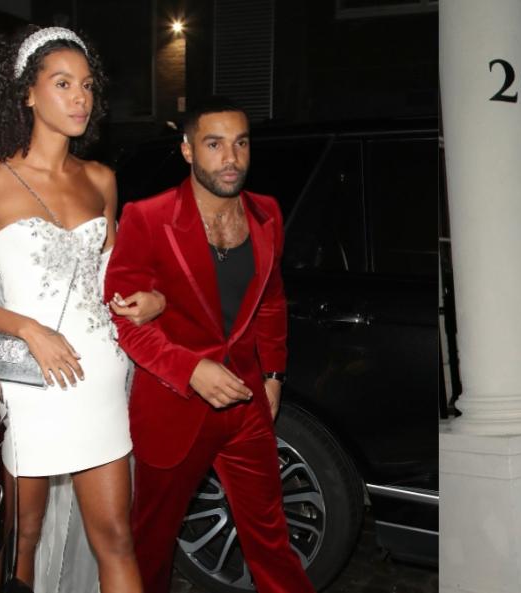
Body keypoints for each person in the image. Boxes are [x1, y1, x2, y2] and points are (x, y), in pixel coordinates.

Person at [0, 25, 164, 592]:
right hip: (32, 385)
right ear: (27, 93)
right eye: (63, 83)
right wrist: (26, 328)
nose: (81, 98)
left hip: (100, 375)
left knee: (117, 540)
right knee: (20, 536)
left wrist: (149, 301)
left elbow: (113, 278)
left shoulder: (102, 179)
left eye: (88, 86)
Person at [104, 97, 314, 593]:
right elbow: (125, 320)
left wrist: (274, 376)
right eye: (214, 144)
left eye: (240, 144)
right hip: (173, 406)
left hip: (246, 407)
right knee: (151, 544)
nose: (230, 158)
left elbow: (271, 302)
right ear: (187, 150)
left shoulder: (267, 214)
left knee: (271, 541)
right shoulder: (148, 217)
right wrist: (190, 369)